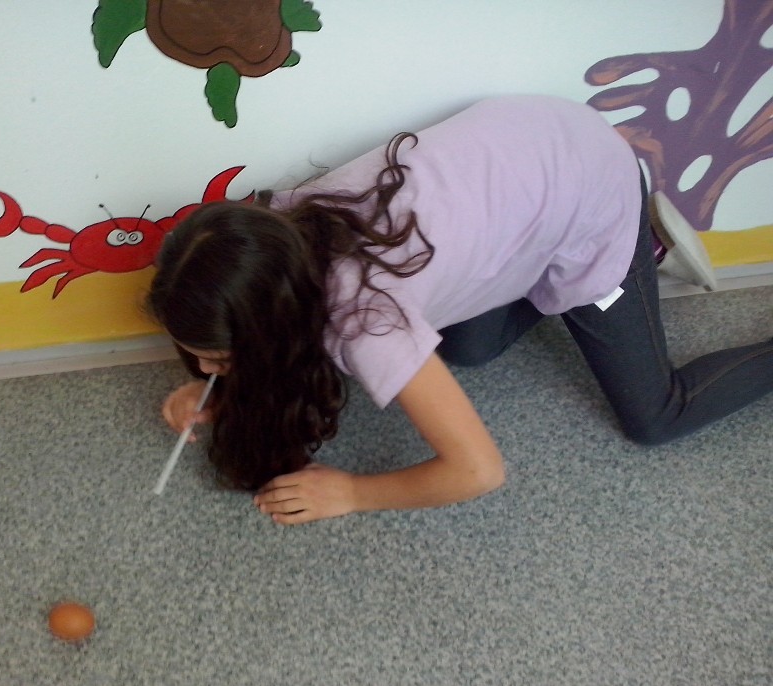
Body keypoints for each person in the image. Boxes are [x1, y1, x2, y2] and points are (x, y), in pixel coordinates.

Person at [147, 94, 773, 525]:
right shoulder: (277, 231)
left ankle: (643, 246)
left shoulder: (368, 323)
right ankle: (581, 270)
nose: (207, 368)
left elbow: (478, 471)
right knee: (471, 348)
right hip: (529, 151)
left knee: (656, 418)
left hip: (593, 182)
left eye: (218, 358)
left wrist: (352, 492)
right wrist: (221, 385)